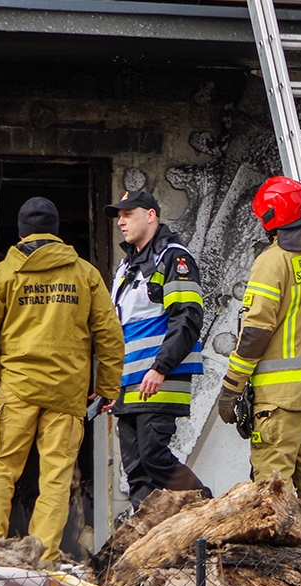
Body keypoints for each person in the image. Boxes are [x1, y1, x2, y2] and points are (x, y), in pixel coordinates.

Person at [0, 196, 124, 563]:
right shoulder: (84, 274)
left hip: (18, 389)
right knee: (55, 477)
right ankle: (41, 558)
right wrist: (106, 388)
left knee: (0, 471)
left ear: (21, 231)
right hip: (67, 393)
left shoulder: (2, 275)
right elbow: (109, 335)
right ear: (56, 230)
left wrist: (2, 380)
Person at [216, 176, 301, 546]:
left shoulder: (272, 263)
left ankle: (279, 552)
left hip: (279, 398)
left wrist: (231, 389)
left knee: (273, 479)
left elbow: (255, 334)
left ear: (270, 219)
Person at [104, 190, 211, 510]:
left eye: (128, 214)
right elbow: (118, 329)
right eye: (118, 217)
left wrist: (161, 367)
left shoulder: (173, 258)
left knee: (154, 457)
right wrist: (107, 380)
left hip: (157, 381)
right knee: (136, 470)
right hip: (128, 382)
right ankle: (146, 536)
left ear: (150, 215)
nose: (121, 222)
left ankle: (206, 507)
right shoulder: (126, 268)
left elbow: (189, 319)